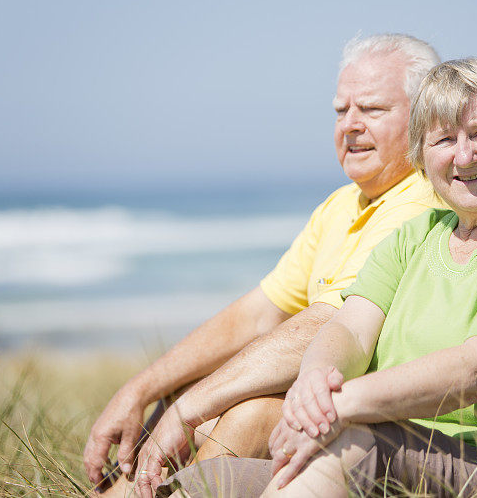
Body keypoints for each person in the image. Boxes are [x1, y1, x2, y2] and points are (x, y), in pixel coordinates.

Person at [158, 58, 477, 497]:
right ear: (422, 155)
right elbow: (347, 329)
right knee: (213, 480)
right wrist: (314, 385)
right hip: (416, 452)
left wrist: (339, 408)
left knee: (354, 440)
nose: (463, 157)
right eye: (444, 140)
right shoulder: (415, 237)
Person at [83, 33, 444, 491]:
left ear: (426, 117)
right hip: (331, 413)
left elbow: (328, 325)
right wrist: (142, 390)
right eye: (340, 110)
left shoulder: (423, 200)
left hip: (396, 433)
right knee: (185, 390)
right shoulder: (341, 204)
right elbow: (258, 314)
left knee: (246, 414)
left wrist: (189, 408)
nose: (350, 125)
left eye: (371, 110)